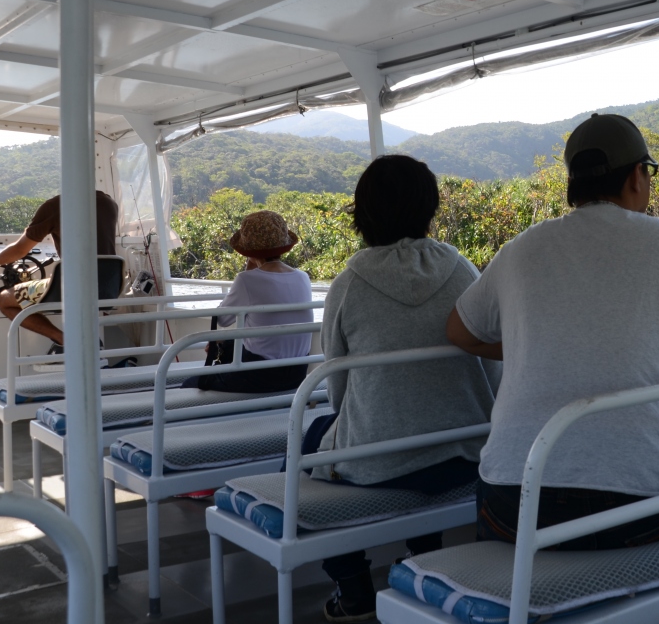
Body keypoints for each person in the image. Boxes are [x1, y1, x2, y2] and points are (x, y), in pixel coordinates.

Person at [447, 113, 659, 552]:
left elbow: (461, 332)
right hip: (640, 505)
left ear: (573, 184)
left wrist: (535, 346)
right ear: (637, 176)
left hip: (513, 503)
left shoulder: (521, 248)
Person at [308, 155, 499, 623]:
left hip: (382, 463)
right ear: (429, 206)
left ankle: (352, 584)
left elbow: (338, 388)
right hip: (466, 453)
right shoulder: (464, 271)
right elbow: (491, 373)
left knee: (310, 439)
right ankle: (422, 555)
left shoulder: (348, 284)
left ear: (363, 212)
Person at [0, 190, 119, 351]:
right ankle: (88, 345)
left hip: (73, 289)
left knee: (4, 299)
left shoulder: (55, 206)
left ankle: (65, 341)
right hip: (108, 288)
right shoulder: (109, 203)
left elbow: (20, 250)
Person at [181, 210, 314, 393]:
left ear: (248, 252)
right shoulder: (303, 277)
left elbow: (223, 319)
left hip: (260, 376)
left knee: (189, 384)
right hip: (297, 373)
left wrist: (248, 270)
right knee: (227, 345)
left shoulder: (247, 280)